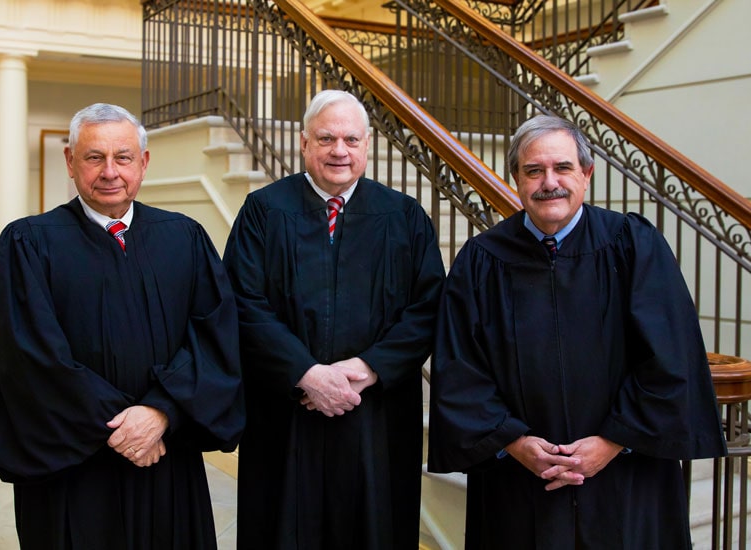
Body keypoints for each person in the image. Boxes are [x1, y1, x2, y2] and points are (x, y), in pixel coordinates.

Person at [428, 114, 727, 549]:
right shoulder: (481, 260)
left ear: (586, 174)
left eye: (563, 168)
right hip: (520, 480)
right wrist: (513, 442)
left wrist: (611, 441)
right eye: (534, 170)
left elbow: (671, 355)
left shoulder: (632, 245)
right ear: (516, 178)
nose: (550, 182)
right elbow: (460, 368)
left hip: (625, 478)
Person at [0, 103, 245, 549]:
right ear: (69, 161)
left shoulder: (185, 237)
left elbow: (214, 337)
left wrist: (161, 412)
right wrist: (123, 427)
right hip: (73, 466)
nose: (110, 171)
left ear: (143, 162)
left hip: (165, 454)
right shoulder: (28, 243)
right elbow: (29, 358)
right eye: (94, 157)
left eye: (123, 157)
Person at [223, 89, 446, 549]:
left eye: (350, 139)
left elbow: (428, 307)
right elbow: (241, 301)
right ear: (304, 144)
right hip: (285, 414)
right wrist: (305, 373)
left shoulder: (403, 217)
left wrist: (367, 369)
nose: (339, 151)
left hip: (374, 415)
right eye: (326, 138)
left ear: (367, 145)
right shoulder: (264, 212)